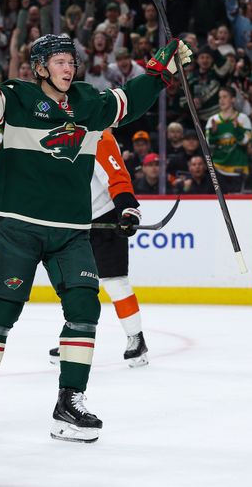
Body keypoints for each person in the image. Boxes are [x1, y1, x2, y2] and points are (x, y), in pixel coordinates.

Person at [0, 26, 191, 443]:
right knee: (2, 312)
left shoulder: (88, 103)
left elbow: (128, 102)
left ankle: (70, 402)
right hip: (20, 226)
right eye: (59, 61)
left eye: (71, 61)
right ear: (40, 67)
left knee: (84, 310)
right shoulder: (19, 96)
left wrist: (160, 73)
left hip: (73, 231)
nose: (69, 67)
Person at [49, 129, 151, 368]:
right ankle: (75, 340)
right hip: (72, 222)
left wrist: (127, 209)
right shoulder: (49, 132)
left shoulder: (98, 134)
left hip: (104, 215)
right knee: (73, 285)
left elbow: (116, 174)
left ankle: (136, 338)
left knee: (115, 281)